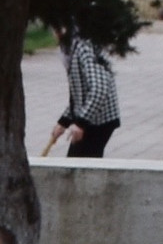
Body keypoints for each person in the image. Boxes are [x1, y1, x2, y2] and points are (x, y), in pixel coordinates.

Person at [47, 19, 123, 158]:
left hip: (99, 121)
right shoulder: (72, 48)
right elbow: (79, 96)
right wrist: (63, 122)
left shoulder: (84, 47)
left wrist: (80, 124)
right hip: (91, 118)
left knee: (78, 164)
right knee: (78, 162)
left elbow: (99, 89)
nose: (54, 33)